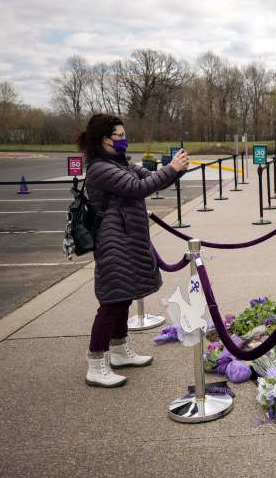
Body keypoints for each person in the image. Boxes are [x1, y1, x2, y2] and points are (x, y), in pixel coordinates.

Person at [79, 114, 189, 387]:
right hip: (113, 240)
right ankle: (96, 363)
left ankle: (118, 349)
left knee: (124, 296)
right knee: (111, 301)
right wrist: (172, 168)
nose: (123, 140)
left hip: (128, 238)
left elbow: (152, 180)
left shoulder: (120, 163)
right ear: (105, 139)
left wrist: (177, 168)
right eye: (119, 136)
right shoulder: (99, 168)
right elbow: (136, 188)